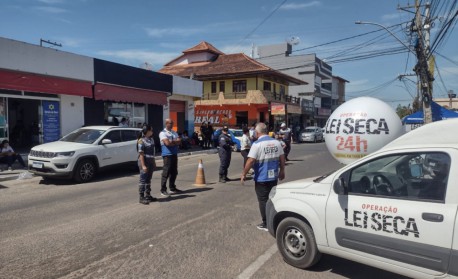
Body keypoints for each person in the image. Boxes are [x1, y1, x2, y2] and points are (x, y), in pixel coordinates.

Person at [241, 122, 285, 231]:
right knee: (272, 198)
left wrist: (244, 174)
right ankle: (274, 220)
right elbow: (282, 157)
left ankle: (266, 223)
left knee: (263, 200)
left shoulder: (257, 144)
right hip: (273, 176)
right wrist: (282, 170)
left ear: (257, 132)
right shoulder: (276, 142)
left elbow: (250, 160)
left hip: (262, 177)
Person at [159, 118, 183, 196]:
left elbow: (179, 141)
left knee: (174, 172)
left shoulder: (174, 132)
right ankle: (163, 190)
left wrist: (173, 142)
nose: (172, 125)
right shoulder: (163, 133)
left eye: (172, 123)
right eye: (170, 123)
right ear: (166, 124)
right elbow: (167, 143)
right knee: (166, 172)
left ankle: (172, 187)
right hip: (167, 155)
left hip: (174, 154)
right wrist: (174, 142)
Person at [137, 124, 156, 205]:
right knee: (143, 179)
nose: (152, 131)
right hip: (144, 161)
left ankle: (148, 195)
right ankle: (141, 197)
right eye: (151, 130)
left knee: (148, 179)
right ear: (147, 131)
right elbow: (141, 154)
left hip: (151, 161)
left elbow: (153, 152)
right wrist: (143, 165)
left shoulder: (151, 139)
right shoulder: (141, 141)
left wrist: (154, 162)